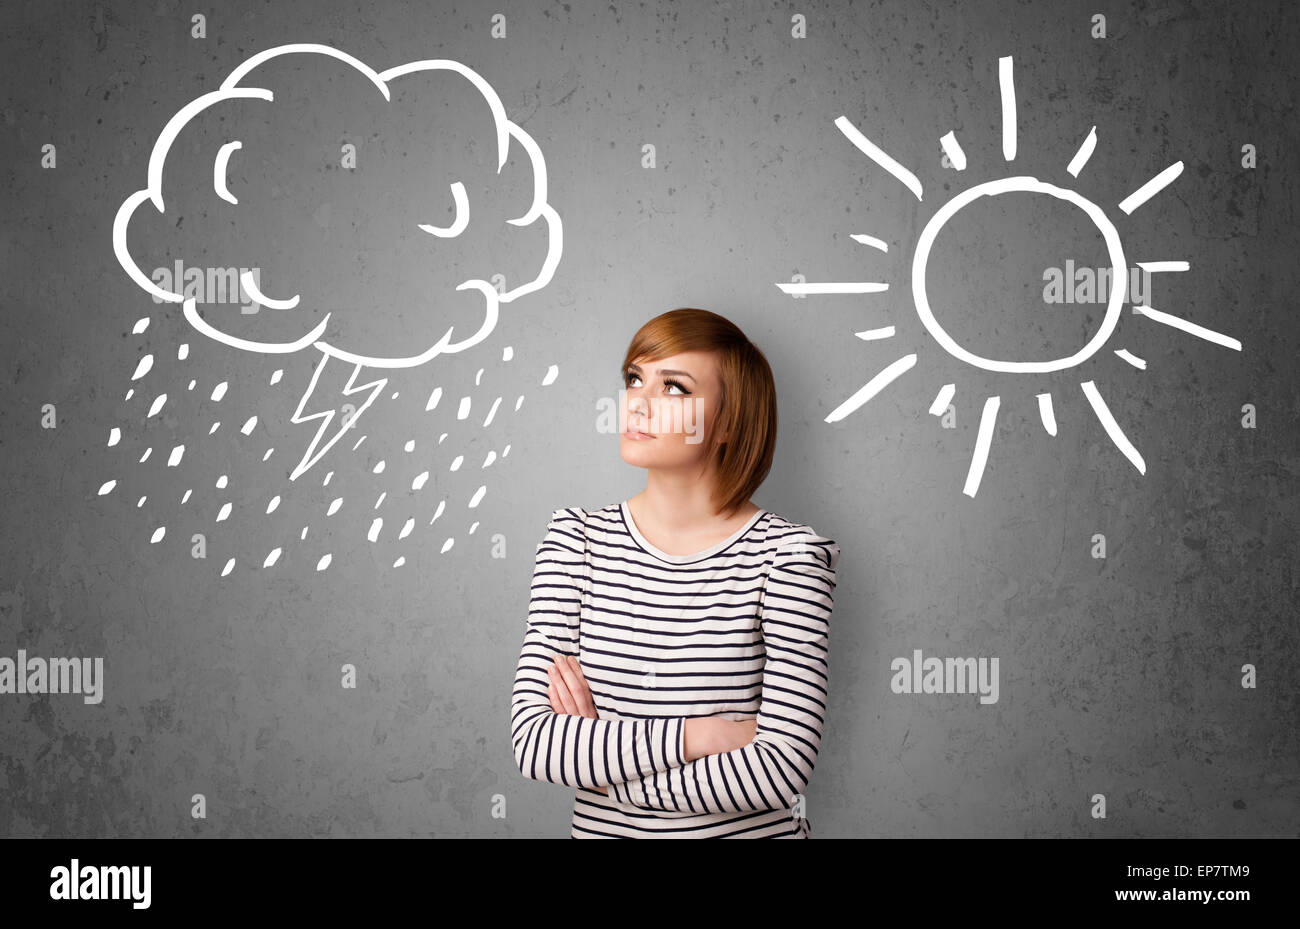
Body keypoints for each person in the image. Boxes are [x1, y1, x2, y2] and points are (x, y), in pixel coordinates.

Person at [509, 307, 841, 837]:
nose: (637, 402)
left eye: (674, 388)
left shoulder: (790, 558)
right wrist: (699, 736)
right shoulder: (575, 541)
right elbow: (535, 743)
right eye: (634, 378)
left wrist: (602, 767)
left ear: (730, 422)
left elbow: (782, 768)